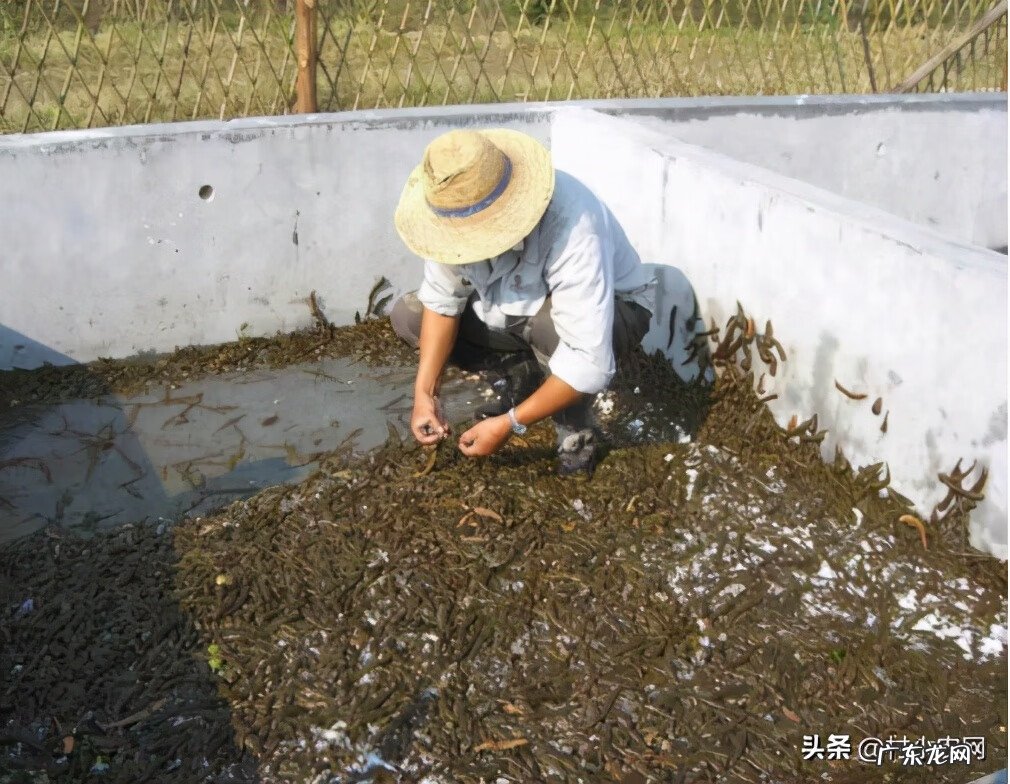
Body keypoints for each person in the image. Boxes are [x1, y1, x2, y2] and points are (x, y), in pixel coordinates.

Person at [390, 128, 656, 475]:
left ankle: (574, 433)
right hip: (512, 309)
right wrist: (425, 393)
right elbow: (442, 301)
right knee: (409, 315)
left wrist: (510, 424)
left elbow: (588, 359)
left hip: (614, 312)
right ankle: (521, 373)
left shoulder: (572, 222)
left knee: (552, 330)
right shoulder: (450, 214)